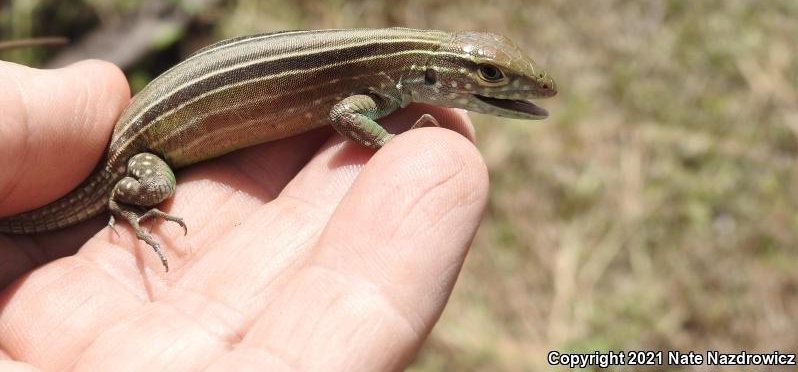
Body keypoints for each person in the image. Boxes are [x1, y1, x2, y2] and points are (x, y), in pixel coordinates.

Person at [0, 59, 489, 370]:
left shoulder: (377, 68)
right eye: (490, 75)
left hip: (169, 120)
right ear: (429, 70)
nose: (495, 86)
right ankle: (121, 204)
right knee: (159, 186)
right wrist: (390, 143)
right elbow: (345, 116)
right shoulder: (374, 78)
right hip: (135, 153)